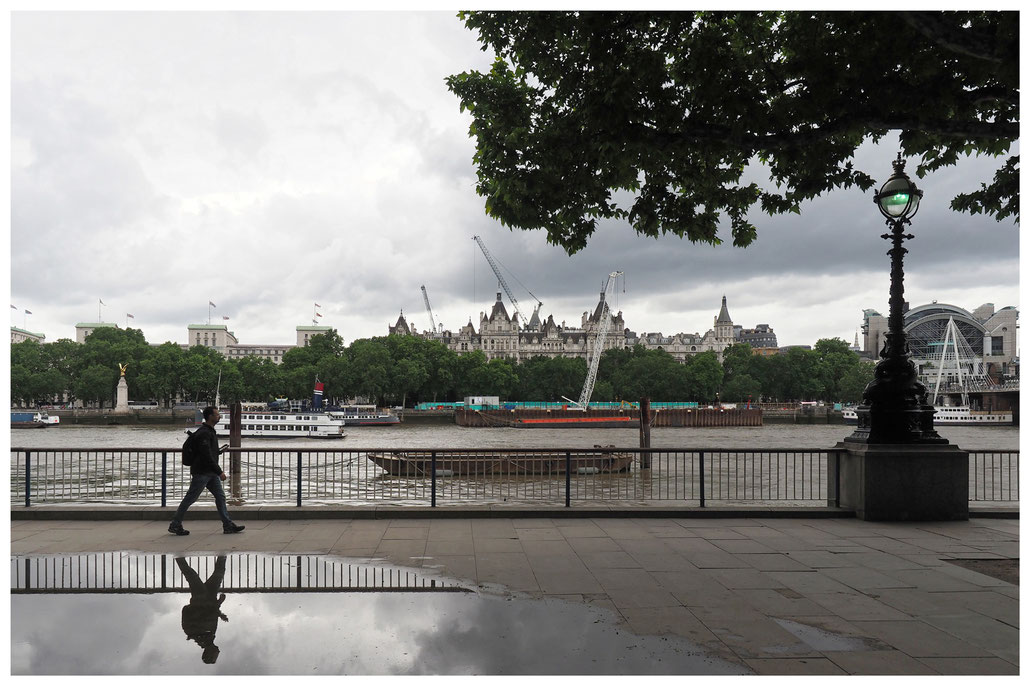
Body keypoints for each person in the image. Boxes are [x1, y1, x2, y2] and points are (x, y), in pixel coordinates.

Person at [169, 406, 245, 535]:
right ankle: (175, 524)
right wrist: (219, 471)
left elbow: (208, 452)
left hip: (209, 472)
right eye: (217, 414)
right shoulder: (204, 433)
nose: (219, 416)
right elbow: (206, 455)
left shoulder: (208, 431)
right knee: (190, 498)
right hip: (203, 472)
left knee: (220, 497)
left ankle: (227, 525)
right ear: (210, 417)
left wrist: (218, 452)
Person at [176, 555, 228, 664]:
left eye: (215, 655)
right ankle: (223, 553)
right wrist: (219, 611)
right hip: (208, 597)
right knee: (217, 573)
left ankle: (178, 556)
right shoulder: (206, 636)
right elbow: (209, 614)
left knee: (192, 576)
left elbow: (206, 613)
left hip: (201, 597)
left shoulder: (202, 634)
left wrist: (219, 604)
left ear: (208, 653)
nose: (218, 651)